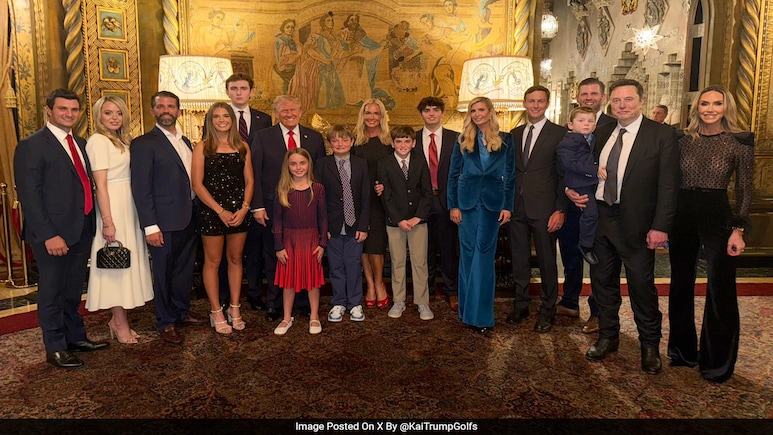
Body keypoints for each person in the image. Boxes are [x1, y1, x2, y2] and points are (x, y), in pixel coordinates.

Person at [567, 79, 679, 375]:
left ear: (641, 101)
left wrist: (661, 226)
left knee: (641, 286)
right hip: (600, 218)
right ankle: (608, 337)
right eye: (616, 100)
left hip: (638, 224)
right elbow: (580, 167)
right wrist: (570, 189)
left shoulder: (661, 135)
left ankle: (649, 346)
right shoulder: (601, 131)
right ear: (610, 103)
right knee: (602, 283)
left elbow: (669, 185)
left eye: (628, 99)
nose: (622, 105)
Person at [14, 89, 109, 368]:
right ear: (49, 110)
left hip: (81, 228)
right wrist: (48, 235)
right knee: (52, 291)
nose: (69, 114)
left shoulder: (80, 142)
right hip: (52, 234)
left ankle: (75, 337)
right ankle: (55, 347)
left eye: (74, 110)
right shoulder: (32, 145)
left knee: (72, 289)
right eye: (62, 109)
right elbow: (30, 196)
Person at [668, 85, 754, 383]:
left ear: (726, 107)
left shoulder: (739, 141)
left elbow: (744, 188)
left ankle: (717, 361)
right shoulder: (681, 139)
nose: (710, 109)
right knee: (680, 282)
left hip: (717, 213)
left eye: (717, 104)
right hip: (682, 213)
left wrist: (739, 229)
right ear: (696, 107)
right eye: (705, 103)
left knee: (720, 286)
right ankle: (682, 351)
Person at [131, 91, 206, 345]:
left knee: (184, 270)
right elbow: (141, 188)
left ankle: (181, 312)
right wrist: (150, 226)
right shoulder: (143, 144)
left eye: (171, 106)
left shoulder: (186, 142)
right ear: (152, 111)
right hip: (162, 222)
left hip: (189, 217)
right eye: (160, 106)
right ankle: (165, 321)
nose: (166, 110)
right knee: (163, 273)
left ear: (179, 111)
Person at [84, 96, 153, 344]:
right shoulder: (98, 141)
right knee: (115, 266)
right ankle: (119, 323)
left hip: (128, 206)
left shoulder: (122, 141)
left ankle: (119, 319)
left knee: (126, 264)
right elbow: (100, 186)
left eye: (119, 113)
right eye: (108, 113)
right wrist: (108, 221)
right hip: (113, 206)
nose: (114, 117)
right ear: (98, 116)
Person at [251, 95, 325, 322]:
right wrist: (257, 206)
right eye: (284, 110)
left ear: (300, 112)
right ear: (276, 114)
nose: (289, 114)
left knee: (305, 257)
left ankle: (303, 303)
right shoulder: (263, 137)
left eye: (293, 110)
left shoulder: (314, 138)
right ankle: (274, 304)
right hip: (272, 208)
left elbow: (319, 173)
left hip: (306, 210)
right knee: (276, 256)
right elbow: (255, 172)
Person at [447, 96, 515, 333]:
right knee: (467, 256)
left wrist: (508, 205)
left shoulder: (506, 139)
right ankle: (467, 311)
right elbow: (453, 174)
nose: (477, 114)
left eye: (481, 110)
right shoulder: (462, 140)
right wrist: (453, 205)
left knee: (484, 256)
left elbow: (510, 175)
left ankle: (481, 316)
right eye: (473, 110)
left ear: (490, 112)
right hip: (466, 205)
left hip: (492, 205)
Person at [507, 85, 567, 333]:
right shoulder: (514, 134)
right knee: (519, 260)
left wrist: (560, 209)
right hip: (517, 208)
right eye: (531, 101)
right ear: (524, 103)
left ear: (547, 104)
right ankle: (521, 305)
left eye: (540, 101)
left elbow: (564, 176)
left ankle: (548, 309)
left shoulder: (560, 133)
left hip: (545, 210)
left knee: (546, 261)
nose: (535, 105)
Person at [557, 77, 615, 333]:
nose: (589, 97)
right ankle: (570, 301)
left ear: (603, 97)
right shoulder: (570, 128)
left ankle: (597, 312)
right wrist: (567, 190)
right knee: (570, 253)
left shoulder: (613, 126)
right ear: (578, 97)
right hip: (572, 201)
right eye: (584, 94)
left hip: (601, 203)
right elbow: (559, 166)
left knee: (598, 259)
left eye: (594, 93)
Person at [191, 103, 254, 334]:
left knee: (236, 259)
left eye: (226, 115)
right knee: (213, 261)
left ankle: (234, 308)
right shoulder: (202, 147)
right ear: (210, 121)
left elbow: (250, 181)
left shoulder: (242, 146)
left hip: (238, 212)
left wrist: (245, 208)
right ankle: (216, 311)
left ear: (232, 119)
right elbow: (197, 184)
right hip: (212, 212)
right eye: (216, 116)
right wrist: (220, 211)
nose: (222, 120)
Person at [221, 73, 271, 313]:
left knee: (255, 248)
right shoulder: (219, 118)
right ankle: (226, 296)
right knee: (228, 251)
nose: (239, 92)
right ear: (227, 92)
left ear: (251, 92)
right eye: (234, 88)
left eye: (243, 88)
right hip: (225, 191)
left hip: (256, 190)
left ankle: (254, 293)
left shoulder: (264, 119)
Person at [315, 125, 370, 323]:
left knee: (353, 264)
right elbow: (318, 198)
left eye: (344, 139)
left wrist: (363, 226)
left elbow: (366, 196)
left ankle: (355, 303)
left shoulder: (361, 163)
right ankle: (338, 302)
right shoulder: (322, 164)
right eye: (335, 140)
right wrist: (323, 228)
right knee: (336, 265)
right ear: (330, 144)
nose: (340, 143)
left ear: (352, 142)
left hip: (355, 226)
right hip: (332, 226)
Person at [379, 125, 434, 320]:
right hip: (395, 222)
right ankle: (399, 301)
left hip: (418, 221)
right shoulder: (384, 163)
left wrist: (417, 218)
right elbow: (386, 195)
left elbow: (427, 192)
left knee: (420, 262)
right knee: (397, 262)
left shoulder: (420, 162)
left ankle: (422, 302)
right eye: (399, 141)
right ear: (392, 143)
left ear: (413, 143)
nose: (403, 145)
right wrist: (399, 219)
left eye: (407, 141)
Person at [272, 148, 327, 335]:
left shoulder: (317, 189)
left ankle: (314, 316)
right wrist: (279, 246)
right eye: (293, 164)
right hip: (289, 241)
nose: (298, 167)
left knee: (313, 281)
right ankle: (287, 318)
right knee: (288, 282)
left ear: (309, 164)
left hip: (311, 240)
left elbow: (323, 219)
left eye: (302, 163)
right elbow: (277, 221)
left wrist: (322, 244)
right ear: (287, 166)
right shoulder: (282, 189)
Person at [413, 96, 460, 312]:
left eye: (435, 110)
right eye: (426, 110)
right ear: (421, 114)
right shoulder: (412, 139)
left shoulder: (456, 138)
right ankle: (426, 291)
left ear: (442, 113)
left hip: (447, 201)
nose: (431, 113)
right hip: (420, 202)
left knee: (448, 249)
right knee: (424, 250)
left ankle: (451, 291)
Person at [351, 98, 392, 308]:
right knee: (363, 245)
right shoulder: (355, 141)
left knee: (376, 245)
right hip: (357, 199)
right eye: (368, 113)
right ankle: (370, 285)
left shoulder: (389, 142)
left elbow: (396, 170)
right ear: (362, 115)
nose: (372, 117)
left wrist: (386, 188)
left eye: (376, 113)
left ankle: (379, 283)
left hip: (379, 201)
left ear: (382, 116)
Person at [557, 106, 600, 266]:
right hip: (579, 184)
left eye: (590, 121)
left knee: (593, 215)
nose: (586, 124)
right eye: (581, 121)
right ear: (570, 125)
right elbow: (569, 164)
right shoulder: (568, 142)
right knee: (591, 214)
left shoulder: (591, 138)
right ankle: (585, 245)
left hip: (591, 183)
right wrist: (594, 170)